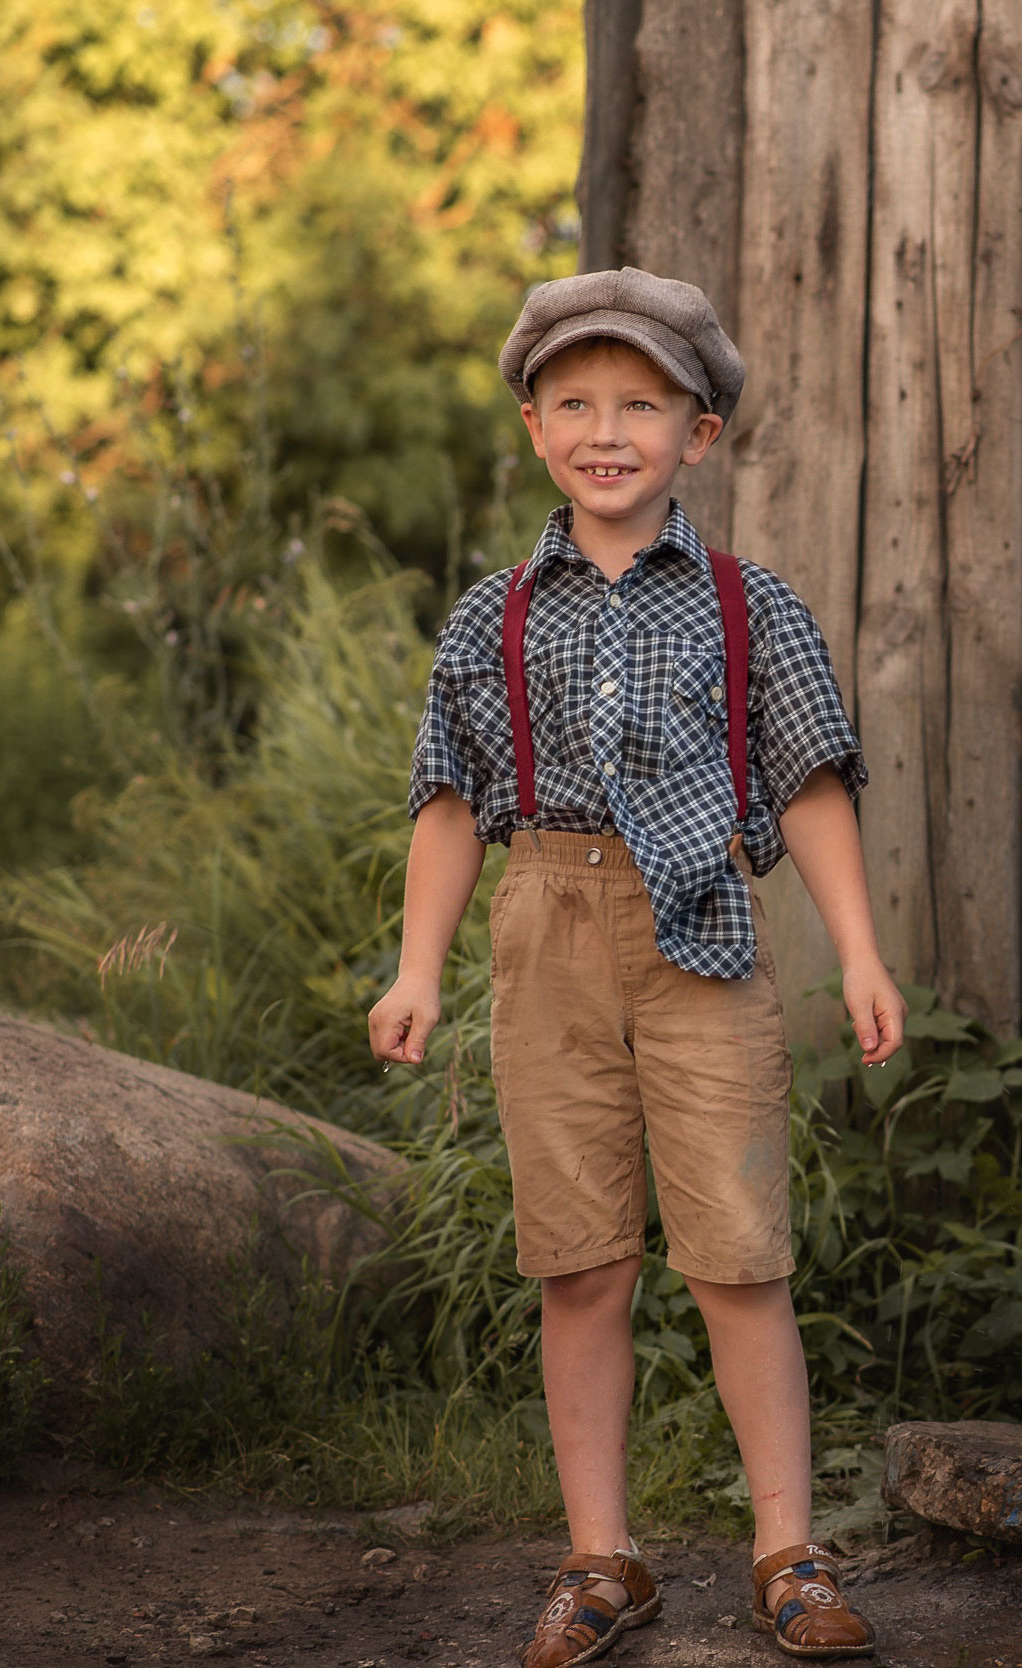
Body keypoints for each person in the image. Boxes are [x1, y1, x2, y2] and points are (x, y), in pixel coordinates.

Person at [368, 267, 906, 1666]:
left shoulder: (751, 606)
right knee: (583, 1262)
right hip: (547, 930)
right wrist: (418, 968)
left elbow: (807, 784)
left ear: (699, 434)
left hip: (707, 942)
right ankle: (602, 1559)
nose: (608, 431)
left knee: (738, 1258)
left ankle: (787, 1551)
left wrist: (855, 951)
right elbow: (448, 797)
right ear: (536, 428)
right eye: (576, 404)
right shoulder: (493, 616)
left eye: (642, 406)